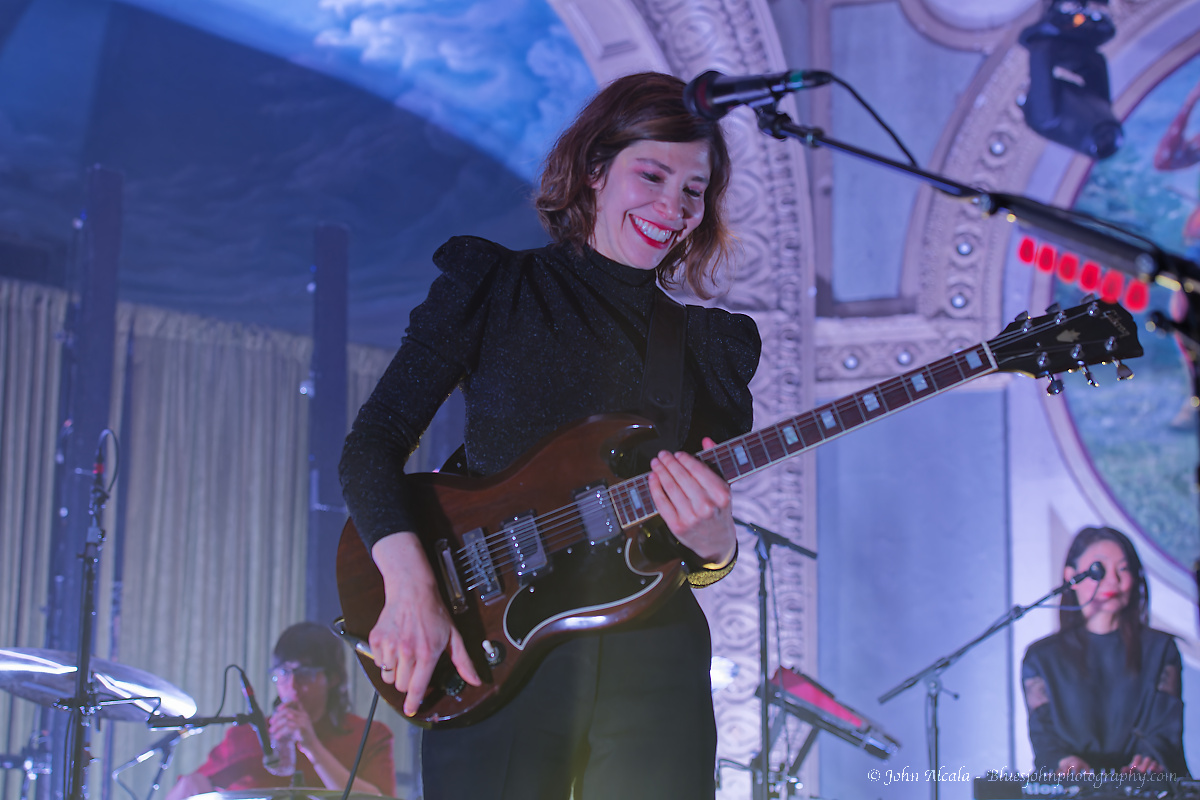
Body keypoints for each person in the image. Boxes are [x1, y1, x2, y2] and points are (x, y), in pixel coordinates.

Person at [338, 71, 760, 799]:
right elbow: (371, 444)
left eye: (694, 192)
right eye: (652, 175)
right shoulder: (496, 288)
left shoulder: (708, 345)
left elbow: (691, 553)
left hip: (652, 659)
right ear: (596, 170)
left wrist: (716, 548)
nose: (673, 207)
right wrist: (411, 588)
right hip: (494, 646)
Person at [1021, 527, 1189, 776]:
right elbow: (1045, 737)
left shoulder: (1160, 649)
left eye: (1123, 569)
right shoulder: (1041, 657)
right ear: (1071, 577)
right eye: (1099, 570)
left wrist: (1148, 762)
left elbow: (1164, 730)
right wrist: (1065, 761)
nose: (1113, 581)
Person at [165, 622, 396, 798]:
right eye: (283, 674)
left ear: (333, 678)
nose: (292, 686)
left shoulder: (370, 735)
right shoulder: (246, 735)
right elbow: (191, 787)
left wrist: (312, 746)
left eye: (305, 673)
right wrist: (192, 785)